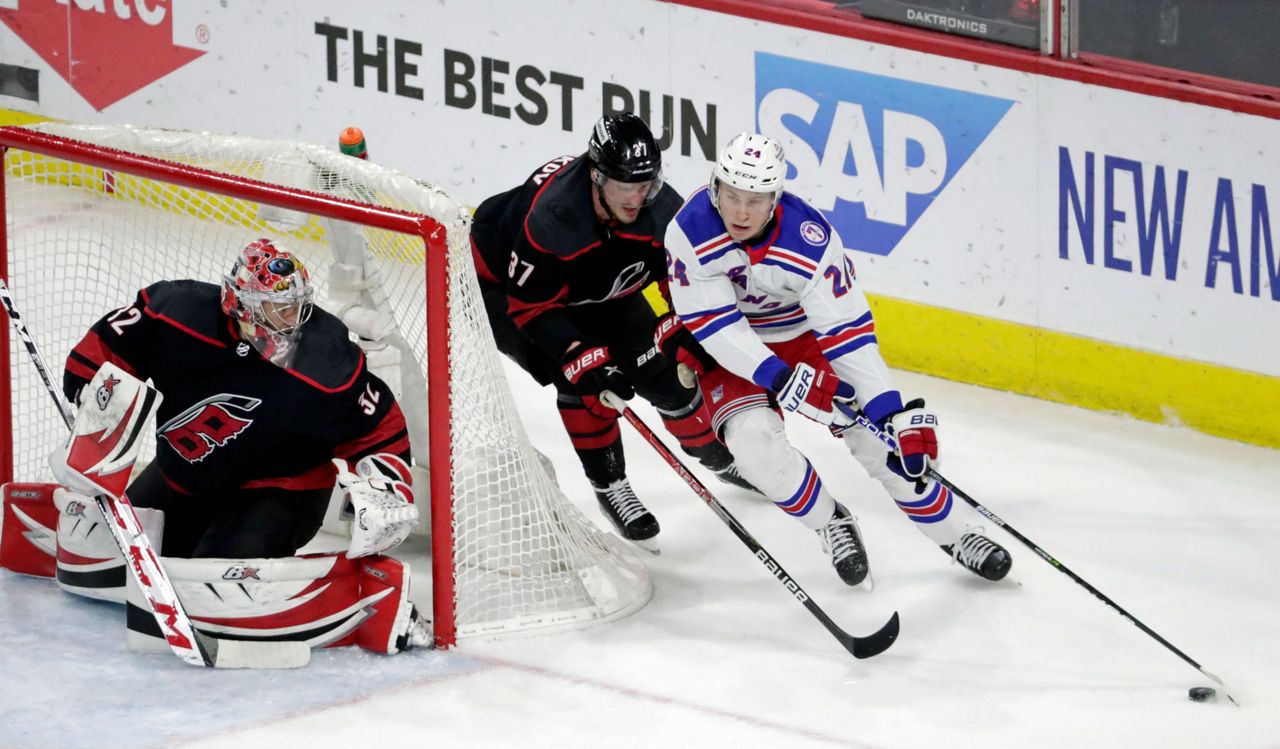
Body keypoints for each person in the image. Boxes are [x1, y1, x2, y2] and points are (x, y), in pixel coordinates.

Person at [661, 132, 1012, 586]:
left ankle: (957, 534)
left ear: (775, 198)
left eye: (755, 199)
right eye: (732, 196)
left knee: (881, 443)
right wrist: (778, 377)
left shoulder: (809, 238)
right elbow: (716, 324)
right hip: (732, 349)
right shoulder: (689, 230)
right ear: (716, 188)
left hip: (804, 338)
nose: (741, 212)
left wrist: (887, 410)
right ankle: (831, 522)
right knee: (753, 447)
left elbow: (846, 331)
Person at [470, 112, 751, 549]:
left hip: (597, 287)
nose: (638, 197)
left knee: (662, 368)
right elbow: (531, 307)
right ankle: (610, 484)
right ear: (596, 175)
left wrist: (680, 323)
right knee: (585, 380)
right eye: (626, 186)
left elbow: (680, 276)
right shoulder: (554, 218)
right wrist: (577, 352)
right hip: (505, 291)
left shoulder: (661, 209)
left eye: (646, 184)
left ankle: (714, 454)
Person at [60, 237, 416, 560]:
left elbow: (379, 426)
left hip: (281, 490)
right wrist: (92, 396)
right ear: (239, 303)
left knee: (217, 571)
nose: (293, 320)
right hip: (186, 477)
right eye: (278, 307)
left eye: (296, 306)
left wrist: (384, 489)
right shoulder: (176, 314)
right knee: (112, 551)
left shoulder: (324, 358)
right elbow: (111, 344)